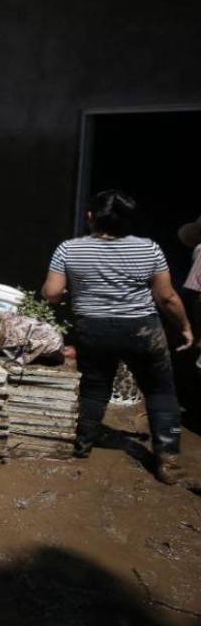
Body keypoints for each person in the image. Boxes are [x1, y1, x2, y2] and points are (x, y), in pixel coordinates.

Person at [42, 190, 198, 489]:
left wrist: (73, 291)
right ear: (129, 220)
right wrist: (185, 326)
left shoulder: (69, 249)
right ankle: (168, 463)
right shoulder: (149, 249)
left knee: (94, 388)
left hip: (94, 329)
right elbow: (166, 297)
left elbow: (51, 293)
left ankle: (81, 447)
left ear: (90, 217)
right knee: (160, 391)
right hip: (142, 329)